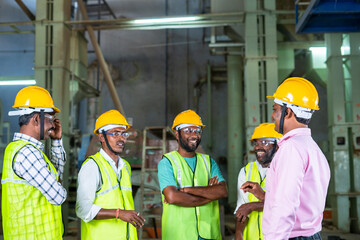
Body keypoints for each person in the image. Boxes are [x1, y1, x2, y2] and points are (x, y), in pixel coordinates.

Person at [241, 77, 331, 240]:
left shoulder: (291, 149)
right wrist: (262, 195)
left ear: (287, 112)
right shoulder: (311, 147)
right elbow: (300, 199)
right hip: (311, 234)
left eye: (275, 109)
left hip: (292, 236)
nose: (273, 115)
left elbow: (285, 207)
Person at [2, 86, 67, 239]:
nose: (53, 126)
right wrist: (56, 183)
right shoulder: (27, 153)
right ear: (37, 119)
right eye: (50, 119)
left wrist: (57, 142)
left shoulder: (30, 151)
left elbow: (58, 178)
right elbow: (59, 196)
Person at [158, 109, 228, 240]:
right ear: (177, 134)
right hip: (179, 235)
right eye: (188, 131)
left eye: (198, 131)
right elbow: (172, 196)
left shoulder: (208, 162)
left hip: (209, 234)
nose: (194, 135)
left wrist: (186, 190)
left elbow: (222, 191)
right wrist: (209, 195)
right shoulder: (167, 163)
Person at [76, 109, 145, 240]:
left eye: (124, 134)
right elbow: (82, 209)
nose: (121, 139)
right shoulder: (92, 166)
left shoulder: (125, 167)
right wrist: (119, 213)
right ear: (101, 137)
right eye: (115, 133)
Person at [235, 123, 282, 240]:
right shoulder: (246, 171)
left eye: (264, 142)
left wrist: (252, 206)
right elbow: (242, 208)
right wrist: (238, 233)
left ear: (277, 145)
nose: (257, 147)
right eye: (256, 143)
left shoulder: (285, 169)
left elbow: (285, 204)